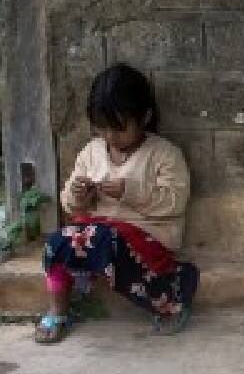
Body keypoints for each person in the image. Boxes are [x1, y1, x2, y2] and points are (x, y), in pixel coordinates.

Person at [34, 63, 198, 344]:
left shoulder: (165, 154)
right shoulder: (91, 152)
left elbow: (174, 203)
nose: (110, 137)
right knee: (57, 242)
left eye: (119, 129)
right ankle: (58, 310)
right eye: (103, 129)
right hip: (97, 238)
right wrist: (78, 196)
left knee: (103, 238)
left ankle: (170, 299)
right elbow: (70, 206)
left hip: (146, 243)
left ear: (144, 117)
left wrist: (129, 191)